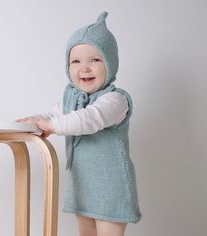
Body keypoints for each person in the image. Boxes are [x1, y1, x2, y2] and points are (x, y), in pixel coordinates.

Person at [18, 11, 142, 236]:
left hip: (111, 189)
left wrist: (52, 126)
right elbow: (54, 114)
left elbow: (88, 120)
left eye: (95, 60)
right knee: (85, 231)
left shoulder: (115, 100)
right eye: (76, 61)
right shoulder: (71, 98)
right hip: (82, 185)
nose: (84, 68)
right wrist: (32, 123)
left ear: (111, 64)